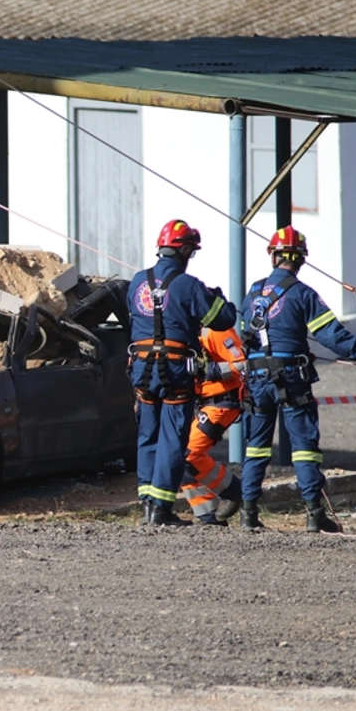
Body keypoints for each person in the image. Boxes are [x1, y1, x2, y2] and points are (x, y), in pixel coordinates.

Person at [238, 226, 356, 532]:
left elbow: (249, 337)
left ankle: (247, 513)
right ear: (300, 261)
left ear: (272, 256)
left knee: (256, 446)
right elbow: (332, 336)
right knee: (304, 447)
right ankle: (313, 514)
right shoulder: (302, 294)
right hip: (291, 379)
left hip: (257, 380)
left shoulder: (253, 293)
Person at [126, 219, 236, 526]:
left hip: (142, 370)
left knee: (147, 434)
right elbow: (223, 318)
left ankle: (148, 505)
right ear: (184, 250)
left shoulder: (136, 281)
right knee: (172, 437)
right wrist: (215, 296)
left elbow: (134, 320)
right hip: (174, 370)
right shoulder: (189, 285)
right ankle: (161, 509)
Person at [178, 326, 246, 525]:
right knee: (181, 457)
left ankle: (235, 493)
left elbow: (241, 364)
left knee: (188, 454)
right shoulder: (184, 330)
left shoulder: (217, 331)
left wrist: (210, 370)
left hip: (222, 403)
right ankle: (209, 514)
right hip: (202, 402)